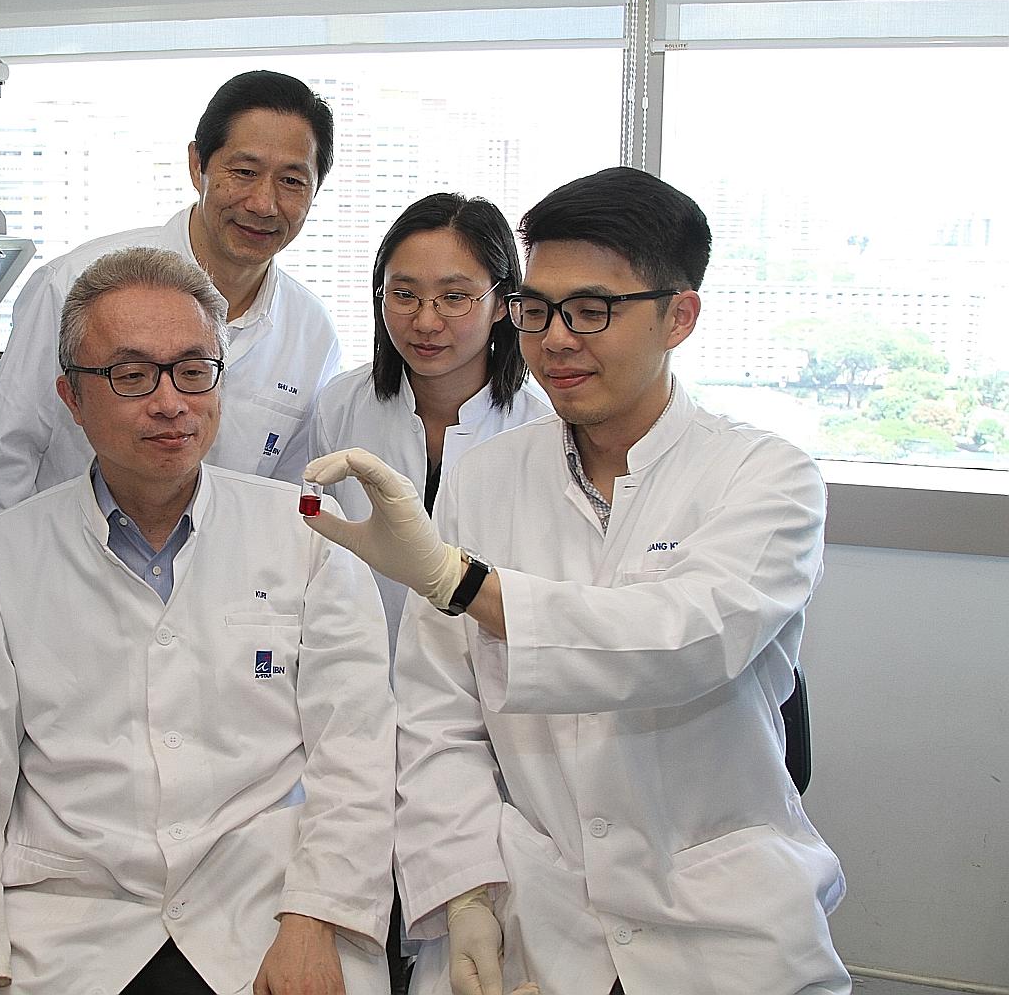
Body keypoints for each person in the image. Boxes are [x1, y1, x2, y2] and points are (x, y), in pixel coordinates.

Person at [304, 167, 850, 995]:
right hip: (532, 896)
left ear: (680, 316)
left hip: (716, 902)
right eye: (537, 309)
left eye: (592, 310)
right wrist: (465, 896)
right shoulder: (488, 478)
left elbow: (683, 639)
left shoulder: (766, 477)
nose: (556, 338)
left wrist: (458, 580)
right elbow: (437, 711)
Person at [0, 247, 395, 995]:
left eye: (194, 370)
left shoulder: (307, 532)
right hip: (71, 925)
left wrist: (314, 920)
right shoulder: (7, 554)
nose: (171, 403)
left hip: (265, 914)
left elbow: (356, 750)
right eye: (132, 375)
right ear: (71, 397)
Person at [0, 69, 342, 523]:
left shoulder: (311, 332)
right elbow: (4, 459)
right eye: (244, 172)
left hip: (223, 585)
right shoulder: (74, 286)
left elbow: (283, 497)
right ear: (196, 164)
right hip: (68, 569)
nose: (263, 204)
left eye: (292, 181)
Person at [307, 192, 549, 656]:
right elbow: (319, 559)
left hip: (491, 694)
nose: (425, 320)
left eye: (453, 297)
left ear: (502, 303)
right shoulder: (339, 406)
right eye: (404, 294)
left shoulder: (542, 427)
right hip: (361, 674)